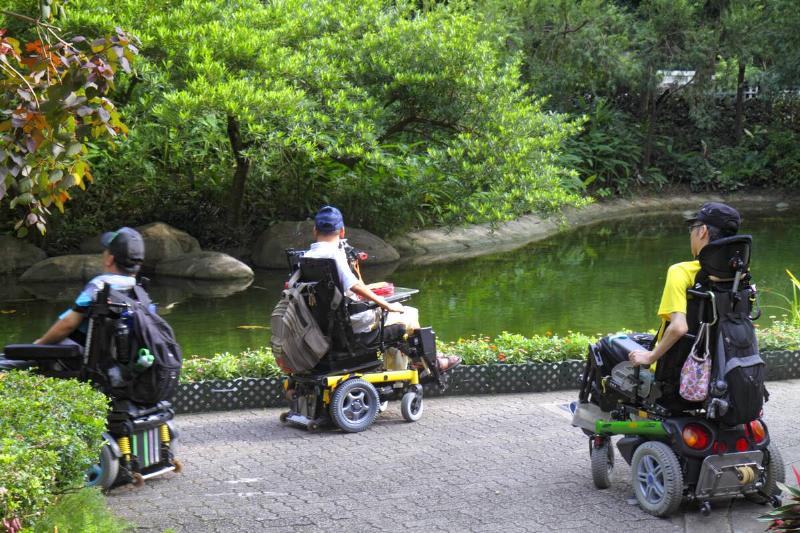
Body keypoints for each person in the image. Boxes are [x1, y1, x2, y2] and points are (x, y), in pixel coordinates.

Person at [303, 206, 461, 372]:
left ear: (315, 231)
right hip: (353, 326)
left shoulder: (306, 259)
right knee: (408, 313)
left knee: (396, 325)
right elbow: (354, 286)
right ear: (342, 231)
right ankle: (428, 363)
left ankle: (413, 366)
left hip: (325, 326)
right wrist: (386, 305)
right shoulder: (335, 256)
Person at [0, 227, 145, 370]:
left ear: (110, 259)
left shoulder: (100, 285)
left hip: (68, 358)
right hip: (111, 367)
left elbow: (68, 323)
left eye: (106, 250)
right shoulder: (141, 296)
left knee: (7, 359)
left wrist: (39, 345)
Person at [628, 202, 741, 369]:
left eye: (692, 229)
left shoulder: (681, 271)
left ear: (702, 231)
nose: (691, 235)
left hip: (678, 369)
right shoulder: (740, 275)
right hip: (721, 367)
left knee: (607, 346)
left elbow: (679, 327)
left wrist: (650, 357)